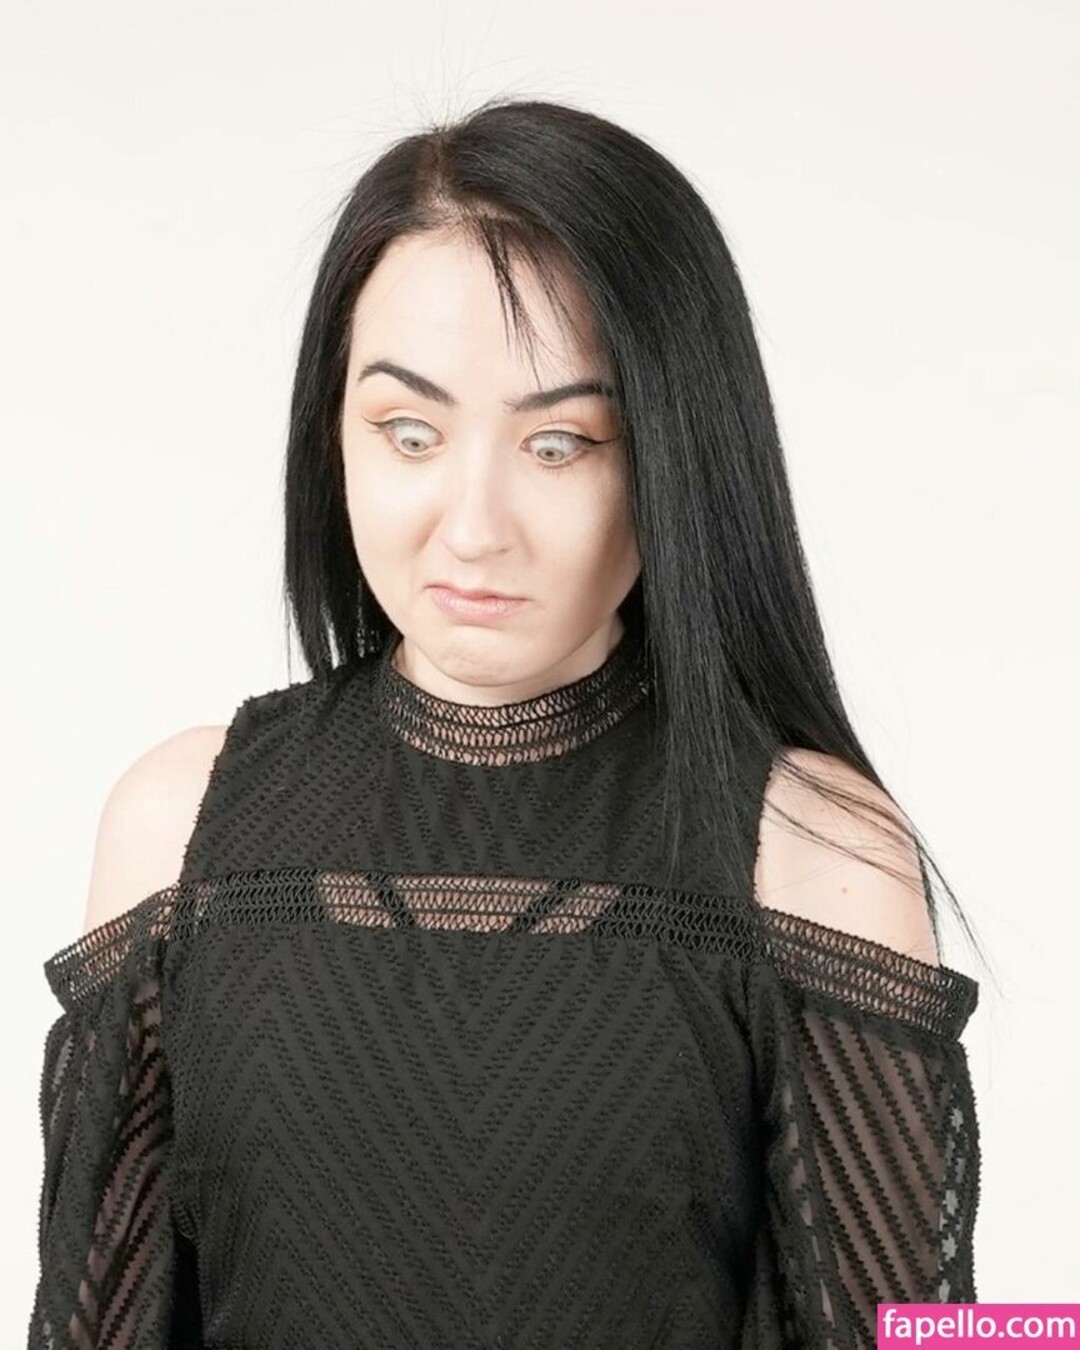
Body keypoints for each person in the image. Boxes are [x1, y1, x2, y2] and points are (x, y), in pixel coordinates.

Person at [27, 96, 984, 1349]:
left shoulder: (809, 849)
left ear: (675, 454)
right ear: (334, 437)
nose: (473, 527)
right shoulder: (180, 828)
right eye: (409, 432)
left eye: (560, 443)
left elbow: (922, 1333)